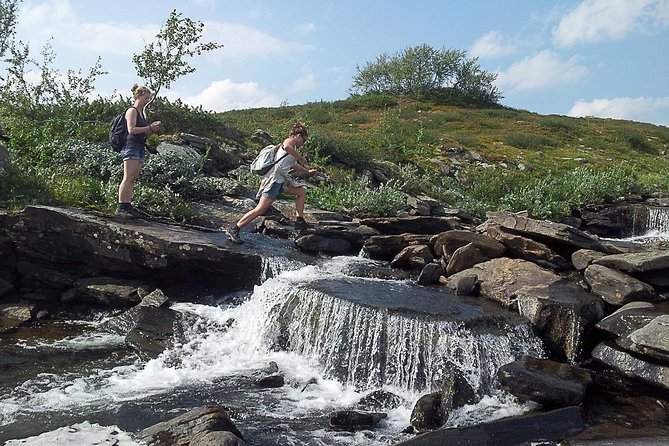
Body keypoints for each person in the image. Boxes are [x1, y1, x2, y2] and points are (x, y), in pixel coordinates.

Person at [225, 123, 318, 244]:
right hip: (274, 180)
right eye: (304, 140)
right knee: (261, 209)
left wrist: (307, 171)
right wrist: (301, 158)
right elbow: (286, 146)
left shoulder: (292, 149)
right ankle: (235, 228)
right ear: (298, 136)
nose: (303, 143)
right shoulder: (289, 142)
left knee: (301, 191)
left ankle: (299, 221)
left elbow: (292, 164)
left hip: (282, 180)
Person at [116, 84, 163, 218]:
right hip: (130, 146)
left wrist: (151, 129)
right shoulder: (132, 111)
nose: (148, 100)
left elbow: (141, 130)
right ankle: (122, 207)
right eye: (146, 98)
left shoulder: (141, 113)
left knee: (133, 177)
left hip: (139, 147)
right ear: (138, 96)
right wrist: (149, 127)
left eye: (149, 98)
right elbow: (131, 130)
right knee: (128, 176)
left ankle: (127, 205)